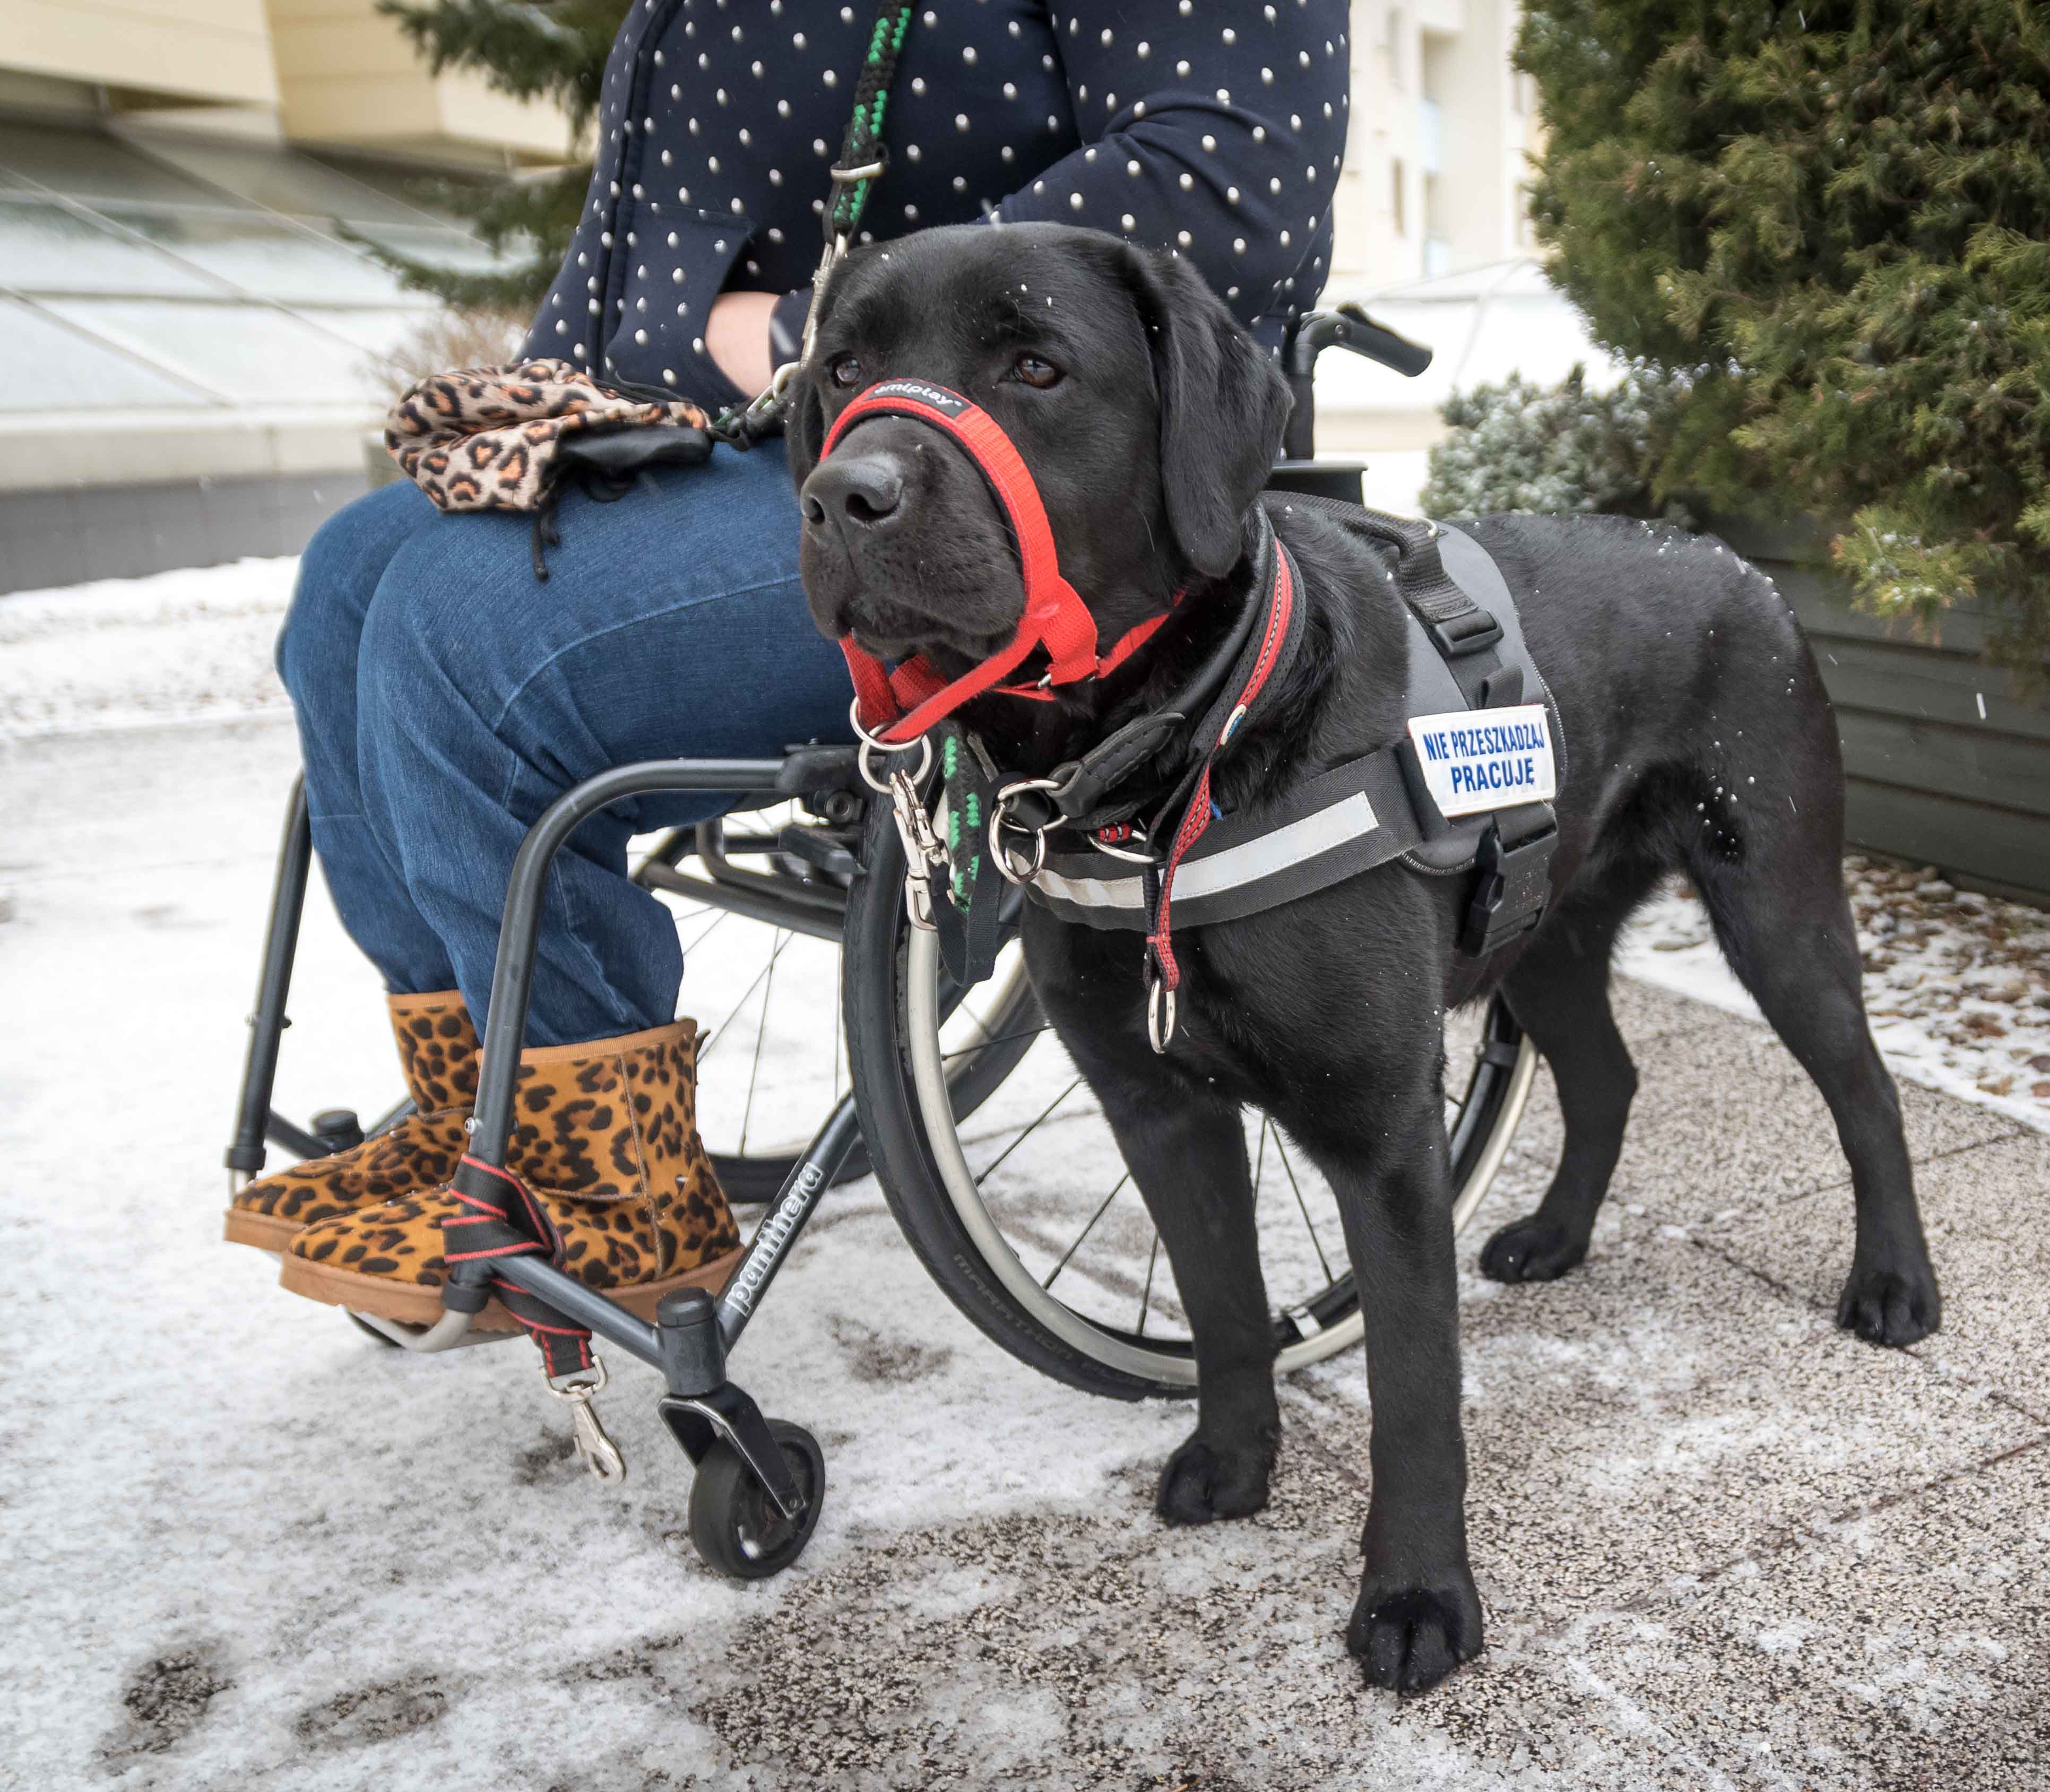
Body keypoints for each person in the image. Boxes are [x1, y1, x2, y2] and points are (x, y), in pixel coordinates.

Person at [232, 0, 1351, 1327]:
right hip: (735, 435)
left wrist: (808, 336)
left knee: (462, 634)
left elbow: (1234, 174)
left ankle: (612, 1196)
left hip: (979, 465)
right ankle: (482, 1110)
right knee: (355, 580)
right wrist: (552, 395)